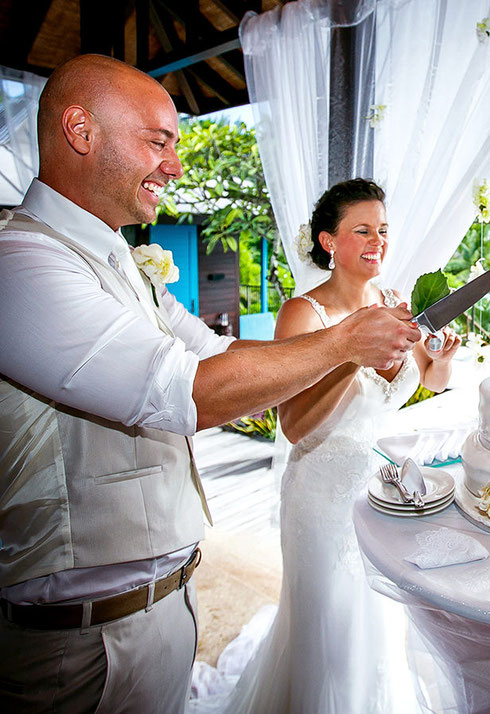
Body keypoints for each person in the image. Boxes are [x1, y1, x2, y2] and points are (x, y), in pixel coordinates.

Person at [0, 55, 422, 713]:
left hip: (167, 606)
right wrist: (342, 342)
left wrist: (349, 350)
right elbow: (187, 390)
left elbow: (225, 356)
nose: (175, 165)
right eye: (158, 141)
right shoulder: (21, 263)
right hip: (80, 643)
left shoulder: (124, 263)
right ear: (80, 130)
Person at [189, 179, 459, 713]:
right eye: (362, 230)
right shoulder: (303, 314)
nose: (377, 240)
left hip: (382, 491)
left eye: (382, 230)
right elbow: (294, 426)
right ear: (329, 241)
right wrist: (350, 355)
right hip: (321, 492)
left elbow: (431, 381)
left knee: (379, 620)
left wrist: (442, 352)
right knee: (329, 623)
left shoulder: (395, 302)